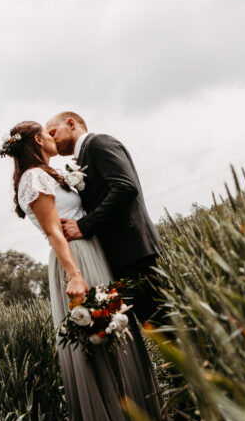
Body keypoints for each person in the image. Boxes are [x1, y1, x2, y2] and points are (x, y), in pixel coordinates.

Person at [0, 120, 163, 421]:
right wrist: (74, 274)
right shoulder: (32, 179)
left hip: (94, 253)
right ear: (39, 139)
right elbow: (55, 231)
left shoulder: (50, 173)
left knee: (117, 335)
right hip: (76, 259)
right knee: (99, 343)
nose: (54, 138)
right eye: (48, 132)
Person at [45, 112, 164, 326]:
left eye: (52, 133)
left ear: (71, 123)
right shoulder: (82, 157)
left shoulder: (98, 143)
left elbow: (125, 188)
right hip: (120, 260)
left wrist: (84, 226)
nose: (51, 140)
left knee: (167, 328)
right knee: (155, 330)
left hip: (137, 255)